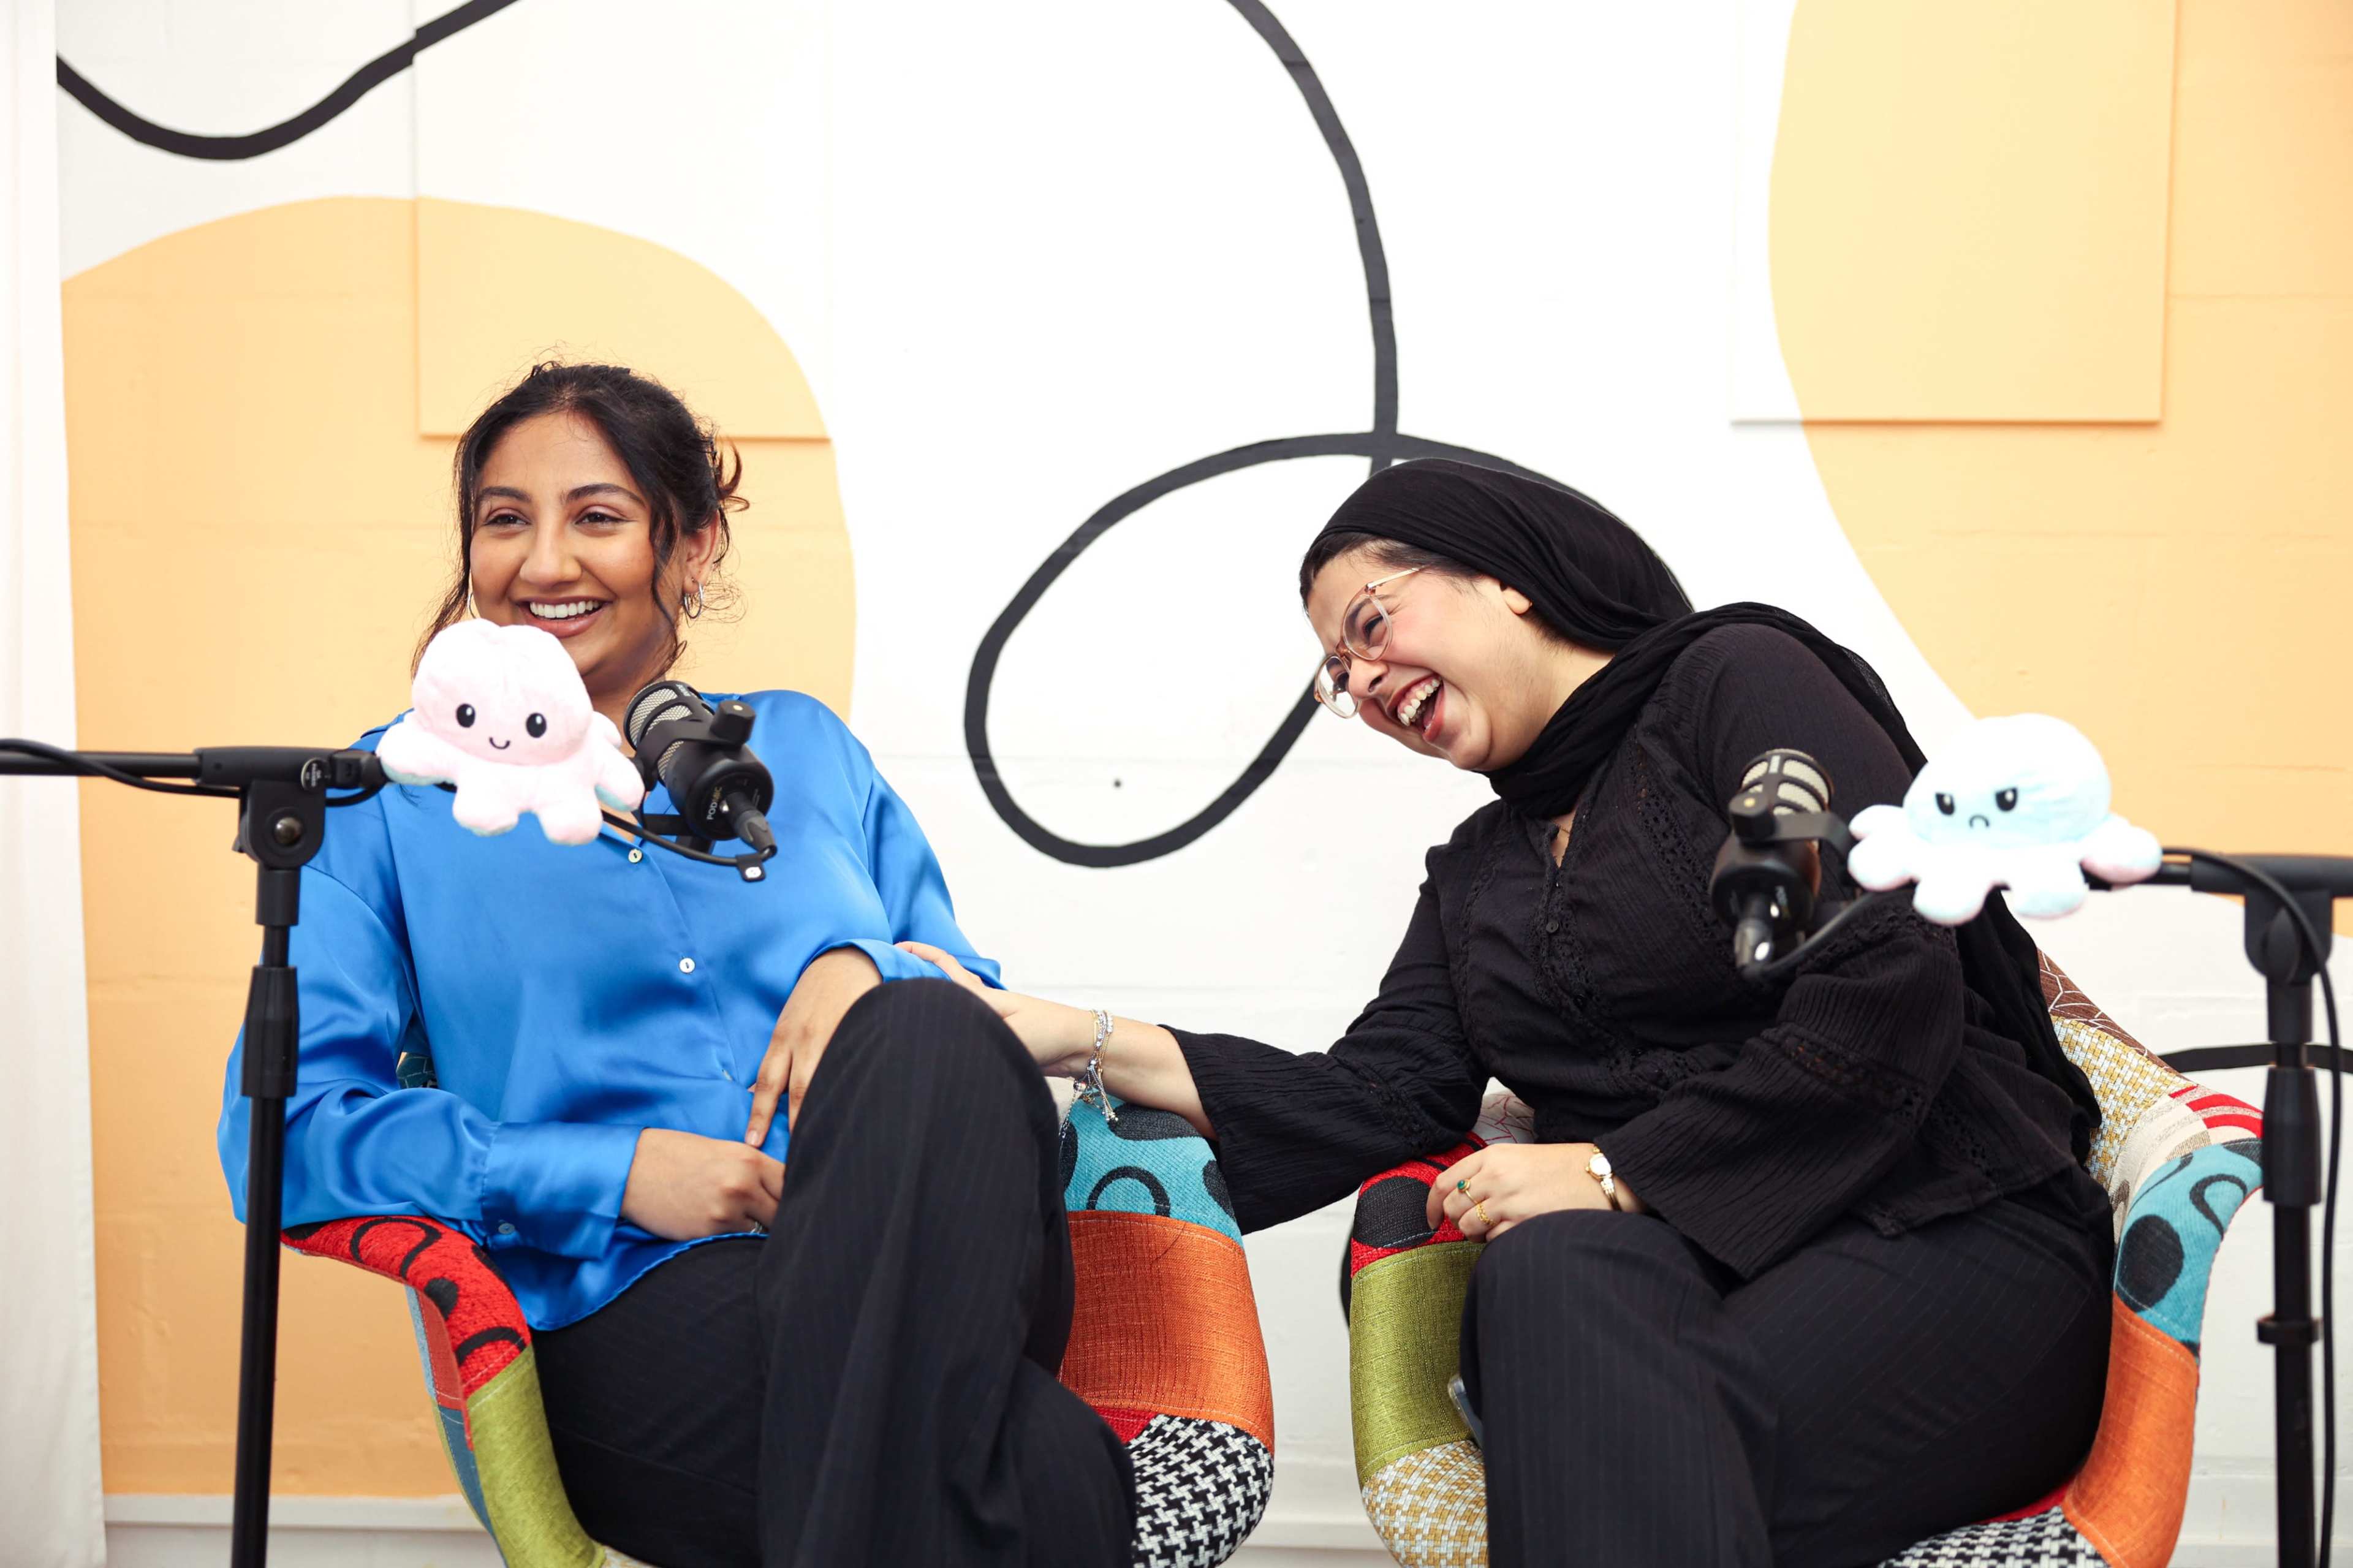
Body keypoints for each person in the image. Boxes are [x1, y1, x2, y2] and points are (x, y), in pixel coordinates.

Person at [909, 458, 2115, 1568]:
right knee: (1546, 1279)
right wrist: (1068, 1031)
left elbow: (1877, 965)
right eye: (1340, 673)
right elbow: (1377, 1093)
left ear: (1505, 576)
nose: (1364, 681)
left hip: (1944, 1232)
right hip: (1677, 1296)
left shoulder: (1732, 685)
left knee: (1604, 1436)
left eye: (1371, 624)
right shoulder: (1477, 873)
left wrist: (1614, 1169)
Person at [218, 362, 1134, 1568]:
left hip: (927, 1267)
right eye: (505, 519)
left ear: (691, 545)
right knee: (1059, 1466)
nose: (544, 562)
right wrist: (612, 1170)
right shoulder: (387, 802)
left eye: (596, 516)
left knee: (923, 1033)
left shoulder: (808, 748)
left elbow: (976, 1030)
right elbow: (282, 1140)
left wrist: (864, 966)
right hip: (632, 1308)